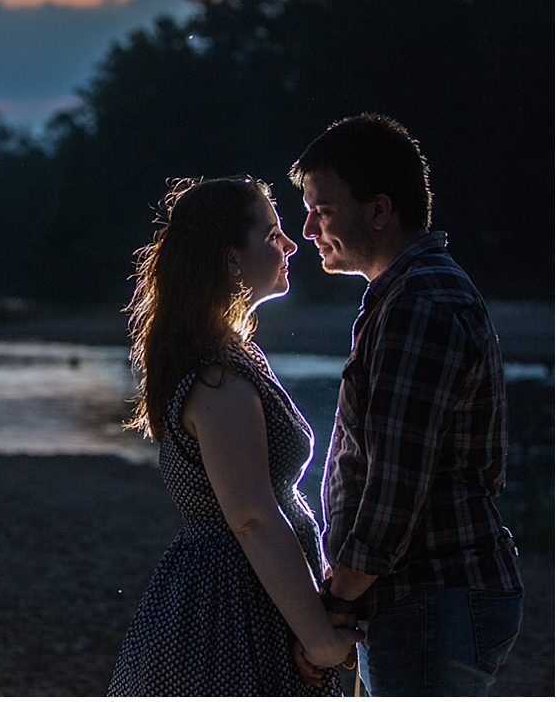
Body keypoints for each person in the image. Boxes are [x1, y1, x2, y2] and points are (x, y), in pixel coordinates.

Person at [288, 114, 524, 696]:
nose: (308, 227)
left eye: (323, 208)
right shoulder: (403, 293)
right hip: (421, 598)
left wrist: (337, 600)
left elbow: (396, 484)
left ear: (378, 209)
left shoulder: (419, 301)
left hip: (431, 597)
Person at [107, 176, 364, 696]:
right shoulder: (218, 379)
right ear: (231, 260)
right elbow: (250, 516)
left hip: (251, 593)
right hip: (230, 607)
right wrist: (319, 639)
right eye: (272, 236)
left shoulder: (232, 359)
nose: (291, 244)